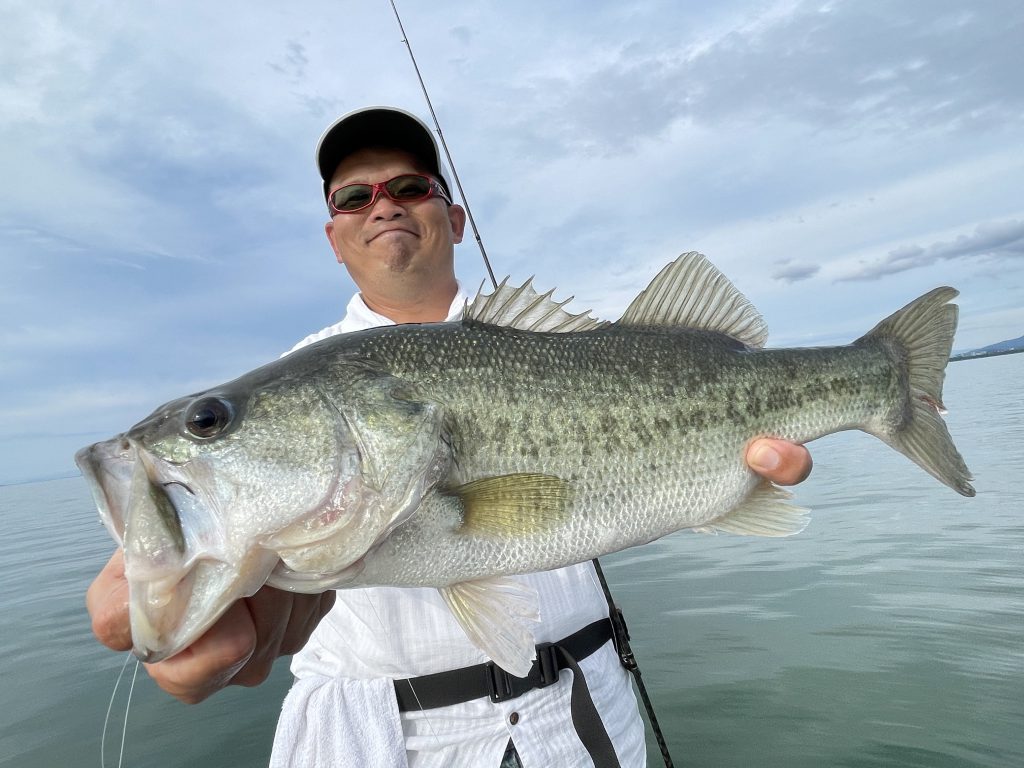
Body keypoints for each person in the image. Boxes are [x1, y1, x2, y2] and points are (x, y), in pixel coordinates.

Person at [87, 106, 814, 767]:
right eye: (354, 197)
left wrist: (727, 482)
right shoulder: (297, 373)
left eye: (410, 187)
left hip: (586, 716)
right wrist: (179, 574)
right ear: (334, 239)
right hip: (383, 739)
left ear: (456, 219)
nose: (384, 206)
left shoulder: (559, 347)